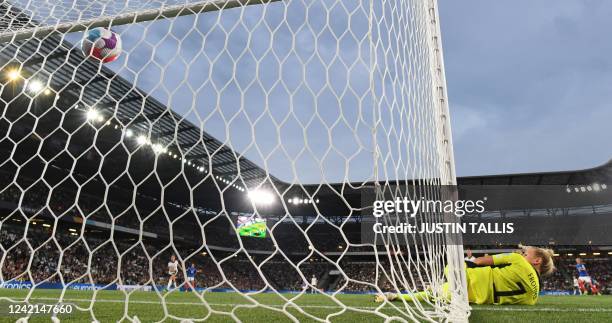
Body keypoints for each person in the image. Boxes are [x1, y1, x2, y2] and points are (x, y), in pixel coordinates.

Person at [376, 245, 555, 305]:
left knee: (450, 266)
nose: (523, 254)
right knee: (435, 294)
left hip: (468, 278)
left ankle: (395, 295)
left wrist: (468, 260)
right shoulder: (534, 296)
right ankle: (394, 296)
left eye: (527, 253)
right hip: (473, 298)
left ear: (537, 260)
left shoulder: (517, 259)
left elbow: (478, 262)